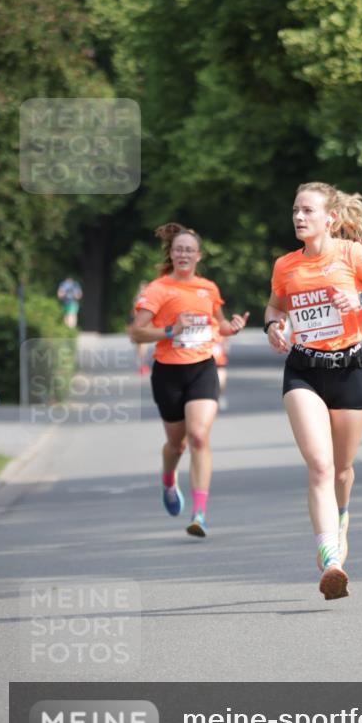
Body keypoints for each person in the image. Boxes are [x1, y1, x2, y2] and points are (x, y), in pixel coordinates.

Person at [264, 182, 362, 600]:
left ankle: (341, 516)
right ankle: (331, 560)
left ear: (330, 218)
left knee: (342, 470)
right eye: (295, 210)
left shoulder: (352, 254)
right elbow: (275, 306)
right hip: (304, 371)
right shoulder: (285, 265)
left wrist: (360, 298)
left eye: (308, 210)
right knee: (320, 466)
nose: (299, 217)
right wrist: (274, 326)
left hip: (350, 370)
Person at [130, 224, 249, 538]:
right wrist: (170, 330)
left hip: (202, 369)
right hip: (168, 372)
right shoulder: (157, 289)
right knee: (177, 443)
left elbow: (219, 325)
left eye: (189, 250)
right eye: (178, 249)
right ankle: (169, 479)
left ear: (198, 255)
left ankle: (199, 513)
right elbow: (136, 332)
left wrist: (232, 327)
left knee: (198, 437)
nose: (183, 254)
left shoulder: (208, 288)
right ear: (171, 253)